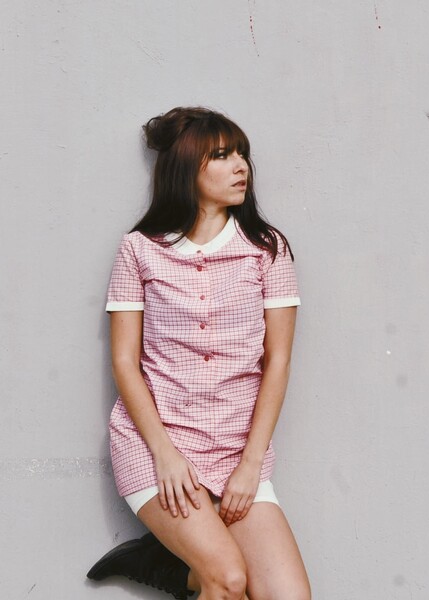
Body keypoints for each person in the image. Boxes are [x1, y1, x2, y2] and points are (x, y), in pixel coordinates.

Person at [86, 107, 311, 600]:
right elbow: (125, 362)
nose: (241, 167)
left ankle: (173, 567)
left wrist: (251, 465)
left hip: (236, 451)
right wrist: (164, 454)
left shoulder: (268, 250)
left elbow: (278, 361)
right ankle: (184, 568)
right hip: (155, 446)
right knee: (227, 580)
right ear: (187, 168)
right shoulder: (139, 250)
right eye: (222, 155)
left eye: (243, 154)